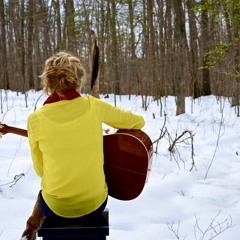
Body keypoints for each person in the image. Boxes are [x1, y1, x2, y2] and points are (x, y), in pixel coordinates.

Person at [21, 51, 145, 240]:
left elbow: (40, 170)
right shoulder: (93, 106)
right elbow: (138, 122)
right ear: (78, 80)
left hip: (56, 207)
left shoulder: (35, 119)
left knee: (44, 193)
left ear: (48, 82)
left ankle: (30, 230)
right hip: (94, 204)